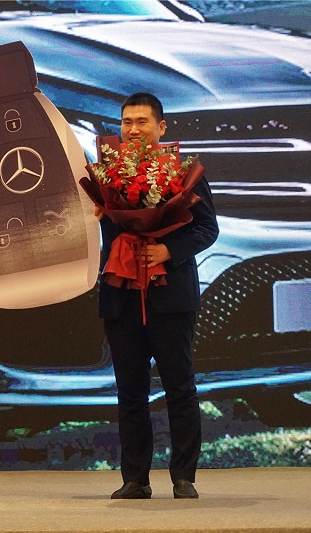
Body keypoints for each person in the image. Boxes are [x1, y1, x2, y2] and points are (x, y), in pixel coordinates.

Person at [95, 93, 219, 499]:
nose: (133, 129)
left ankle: (184, 477)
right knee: (130, 392)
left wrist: (169, 249)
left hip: (170, 296)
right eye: (126, 122)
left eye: (142, 121)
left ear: (161, 127)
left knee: (179, 387)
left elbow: (207, 229)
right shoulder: (106, 174)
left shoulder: (184, 172)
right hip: (122, 295)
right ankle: (135, 479)